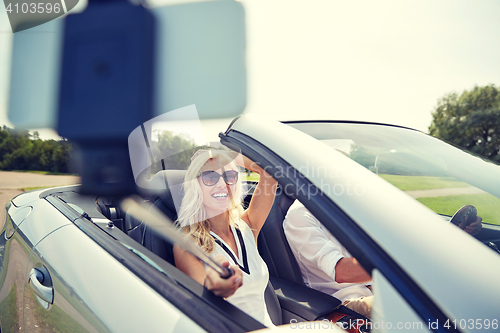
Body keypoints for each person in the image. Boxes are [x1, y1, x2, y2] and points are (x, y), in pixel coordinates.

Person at [283, 200, 482, 318]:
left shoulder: (346, 206)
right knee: (434, 307)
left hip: (384, 288)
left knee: (463, 288)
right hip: (345, 302)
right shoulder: (300, 216)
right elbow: (341, 271)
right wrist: (403, 258)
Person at [173, 149, 277, 327]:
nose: (222, 184)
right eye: (210, 177)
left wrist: (221, 153)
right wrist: (218, 284)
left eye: (229, 176)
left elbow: (270, 173)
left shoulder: (247, 225)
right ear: (195, 186)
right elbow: (207, 300)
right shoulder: (187, 244)